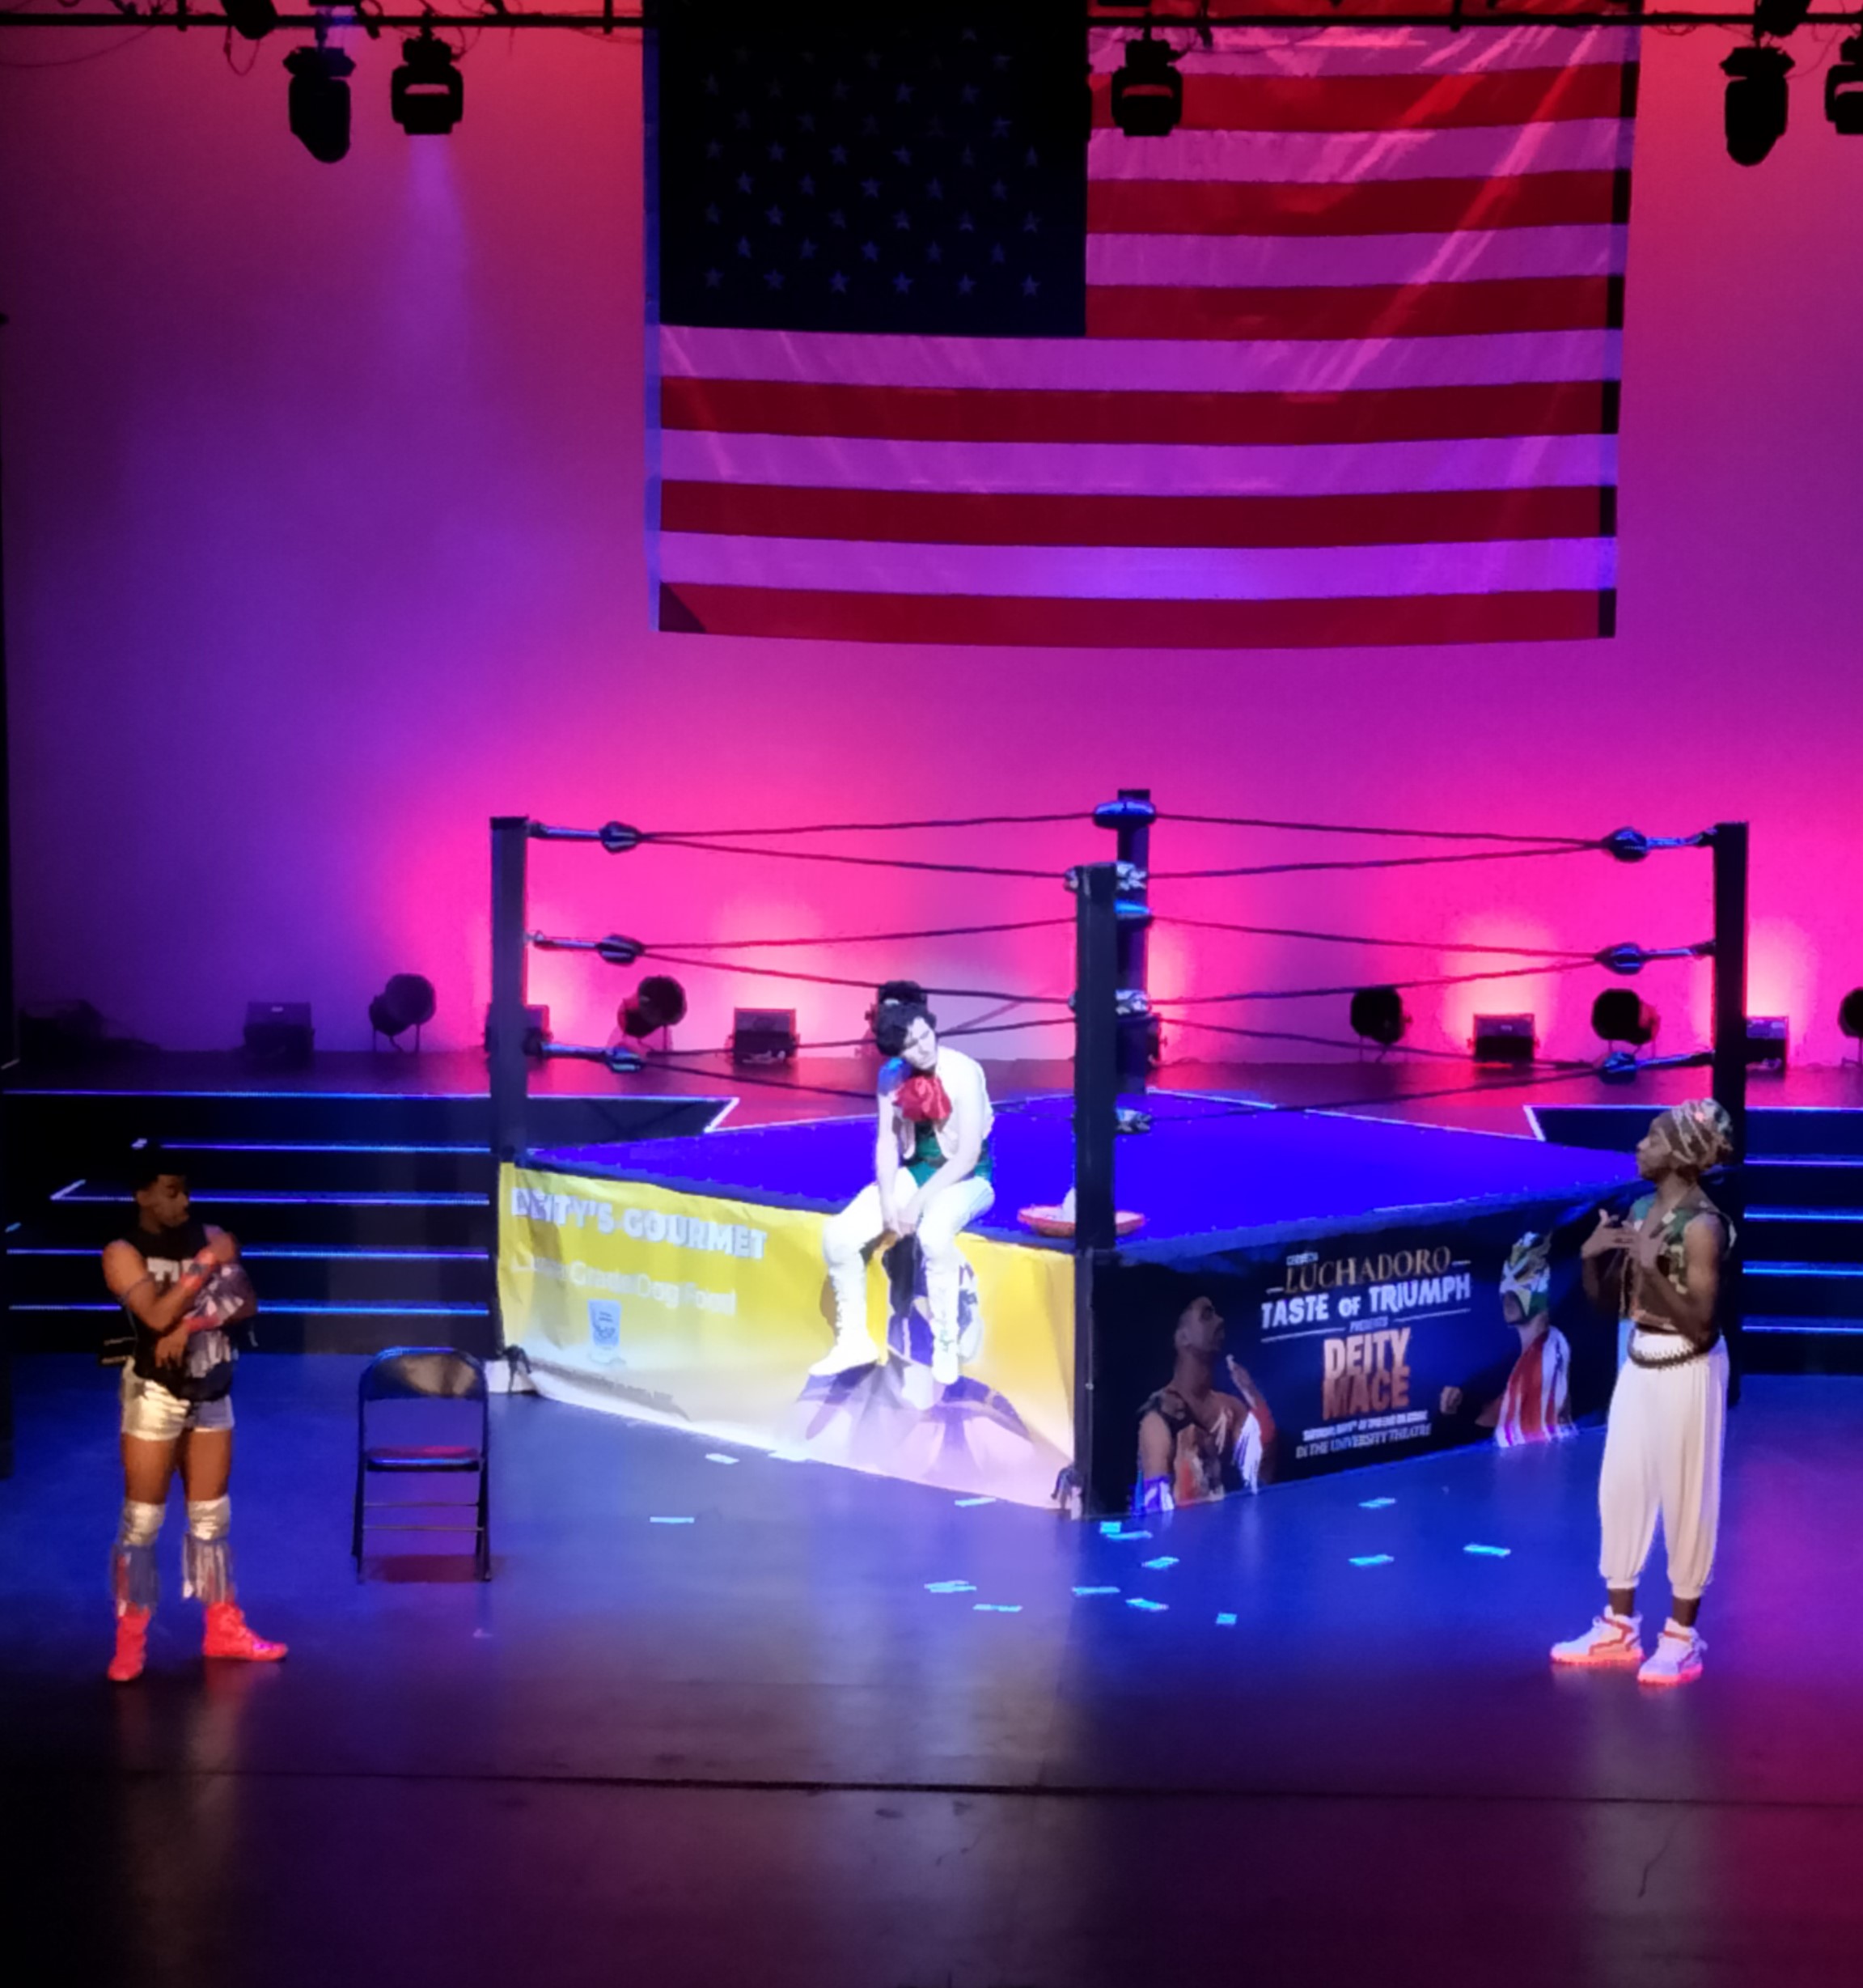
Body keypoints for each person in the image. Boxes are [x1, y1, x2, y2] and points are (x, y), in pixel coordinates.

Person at [1551, 1099, 1736, 1687]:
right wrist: (1588, 1262)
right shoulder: (1638, 1208)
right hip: (1638, 1358)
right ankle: (1618, 1625)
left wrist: (1654, 1267)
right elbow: (1611, 1305)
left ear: (1680, 1155)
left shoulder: (1702, 1226)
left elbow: (1701, 1324)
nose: (1639, 1146)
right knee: (1621, 1486)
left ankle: (1680, 1637)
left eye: (1651, 1139)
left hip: (1689, 1365)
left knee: (1686, 1492)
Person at [102, 1142, 286, 1683]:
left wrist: (195, 1325)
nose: (182, 1199)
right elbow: (156, 1314)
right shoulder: (123, 1250)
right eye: (169, 1189)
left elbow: (245, 1302)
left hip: (212, 1385)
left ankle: (223, 1626)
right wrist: (207, 1266)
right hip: (155, 1393)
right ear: (143, 1195)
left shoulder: (208, 1233)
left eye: (185, 1188)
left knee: (211, 1516)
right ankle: (130, 1637)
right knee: (142, 1520)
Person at [815, 998, 993, 1387]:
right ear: (898, 1050)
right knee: (839, 1235)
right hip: (916, 1173)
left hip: (968, 1179)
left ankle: (945, 1338)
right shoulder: (891, 1076)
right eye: (912, 1044)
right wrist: (885, 1201)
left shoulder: (964, 1072)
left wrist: (914, 1205)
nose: (924, 1047)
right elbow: (886, 1143)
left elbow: (966, 1157)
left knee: (933, 1234)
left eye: (926, 1036)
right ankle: (854, 1340)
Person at [1133, 1294, 1277, 1513]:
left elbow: (1259, 1482)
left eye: (1216, 1314)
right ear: (1182, 1337)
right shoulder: (1158, 1420)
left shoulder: (1231, 1408)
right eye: (1207, 1315)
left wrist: (1252, 1394)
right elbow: (1156, 1514)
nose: (1220, 1321)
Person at [1437, 1231, 1574, 1446]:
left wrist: (1454, 1415)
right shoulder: (1527, 1356)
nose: (1507, 1294)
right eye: (1506, 1279)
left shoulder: (1551, 1350)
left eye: (1520, 1280)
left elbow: (1491, 1418)